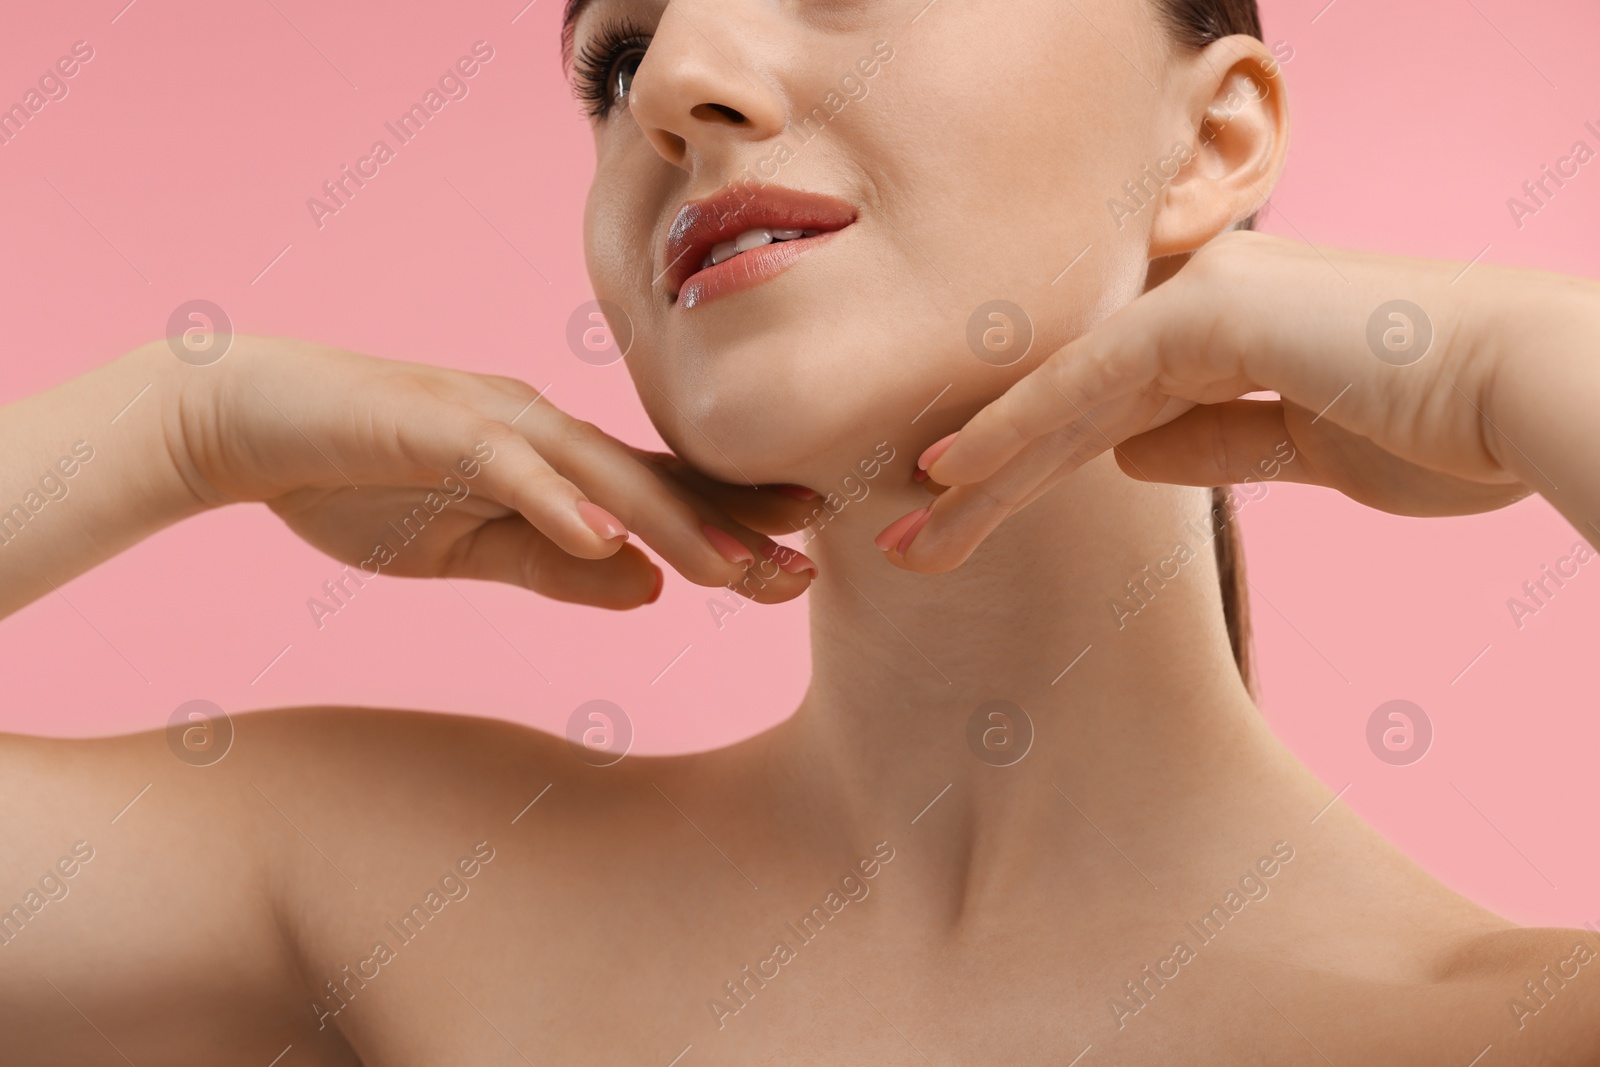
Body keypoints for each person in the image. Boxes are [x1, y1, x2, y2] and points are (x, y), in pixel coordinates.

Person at [3, 0, 1597, 1062]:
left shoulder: (1508, 1028)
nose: (680, 83)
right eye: (616, 63)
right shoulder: (405, 887)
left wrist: (1529, 365)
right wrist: (179, 422)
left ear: (1216, 142)